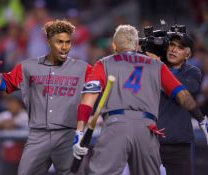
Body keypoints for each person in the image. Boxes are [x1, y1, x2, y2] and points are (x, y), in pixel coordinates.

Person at [72, 24, 208, 175]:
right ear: (136, 45)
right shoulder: (156, 65)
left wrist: (79, 132)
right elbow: (182, 95)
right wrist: (201, 119)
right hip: (147, 128)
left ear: (114, 46)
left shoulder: (103, 63)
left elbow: (88, 99)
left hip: (116, 125)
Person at [0, 19, 92, 175]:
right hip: (38, 135)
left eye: (68, 42)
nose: (64, 47)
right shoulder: (28, 66)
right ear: (48, 41)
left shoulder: (83, 68)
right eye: (59, 42)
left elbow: (100, 86)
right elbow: (3, 84)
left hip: (68, 136)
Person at [157, 30, 202, 175]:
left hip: (179, 142)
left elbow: (187, 91)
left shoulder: (193, 71)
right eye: (171, 44)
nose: (174, 49)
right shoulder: (153, 68)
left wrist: (160, 70)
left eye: (180, 47)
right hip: (152, 140)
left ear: (187, 54)